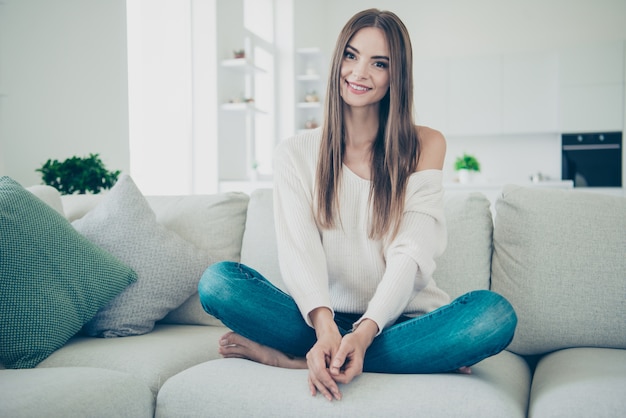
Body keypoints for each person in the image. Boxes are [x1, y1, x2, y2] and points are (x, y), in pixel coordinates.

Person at [198, 8, 517, 402]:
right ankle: (353, 352)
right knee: (219, 283)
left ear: (395, 76)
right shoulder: (295, 153)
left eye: (378, 63)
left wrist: (364, 333)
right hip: (320, 322)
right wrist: (326, 328)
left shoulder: (425, 145)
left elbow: (411, 255)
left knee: (494, 316)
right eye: (351, 56)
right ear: (338, 61)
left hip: (399, 320)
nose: (359, 72)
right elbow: (301, 254)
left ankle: (295, 360)